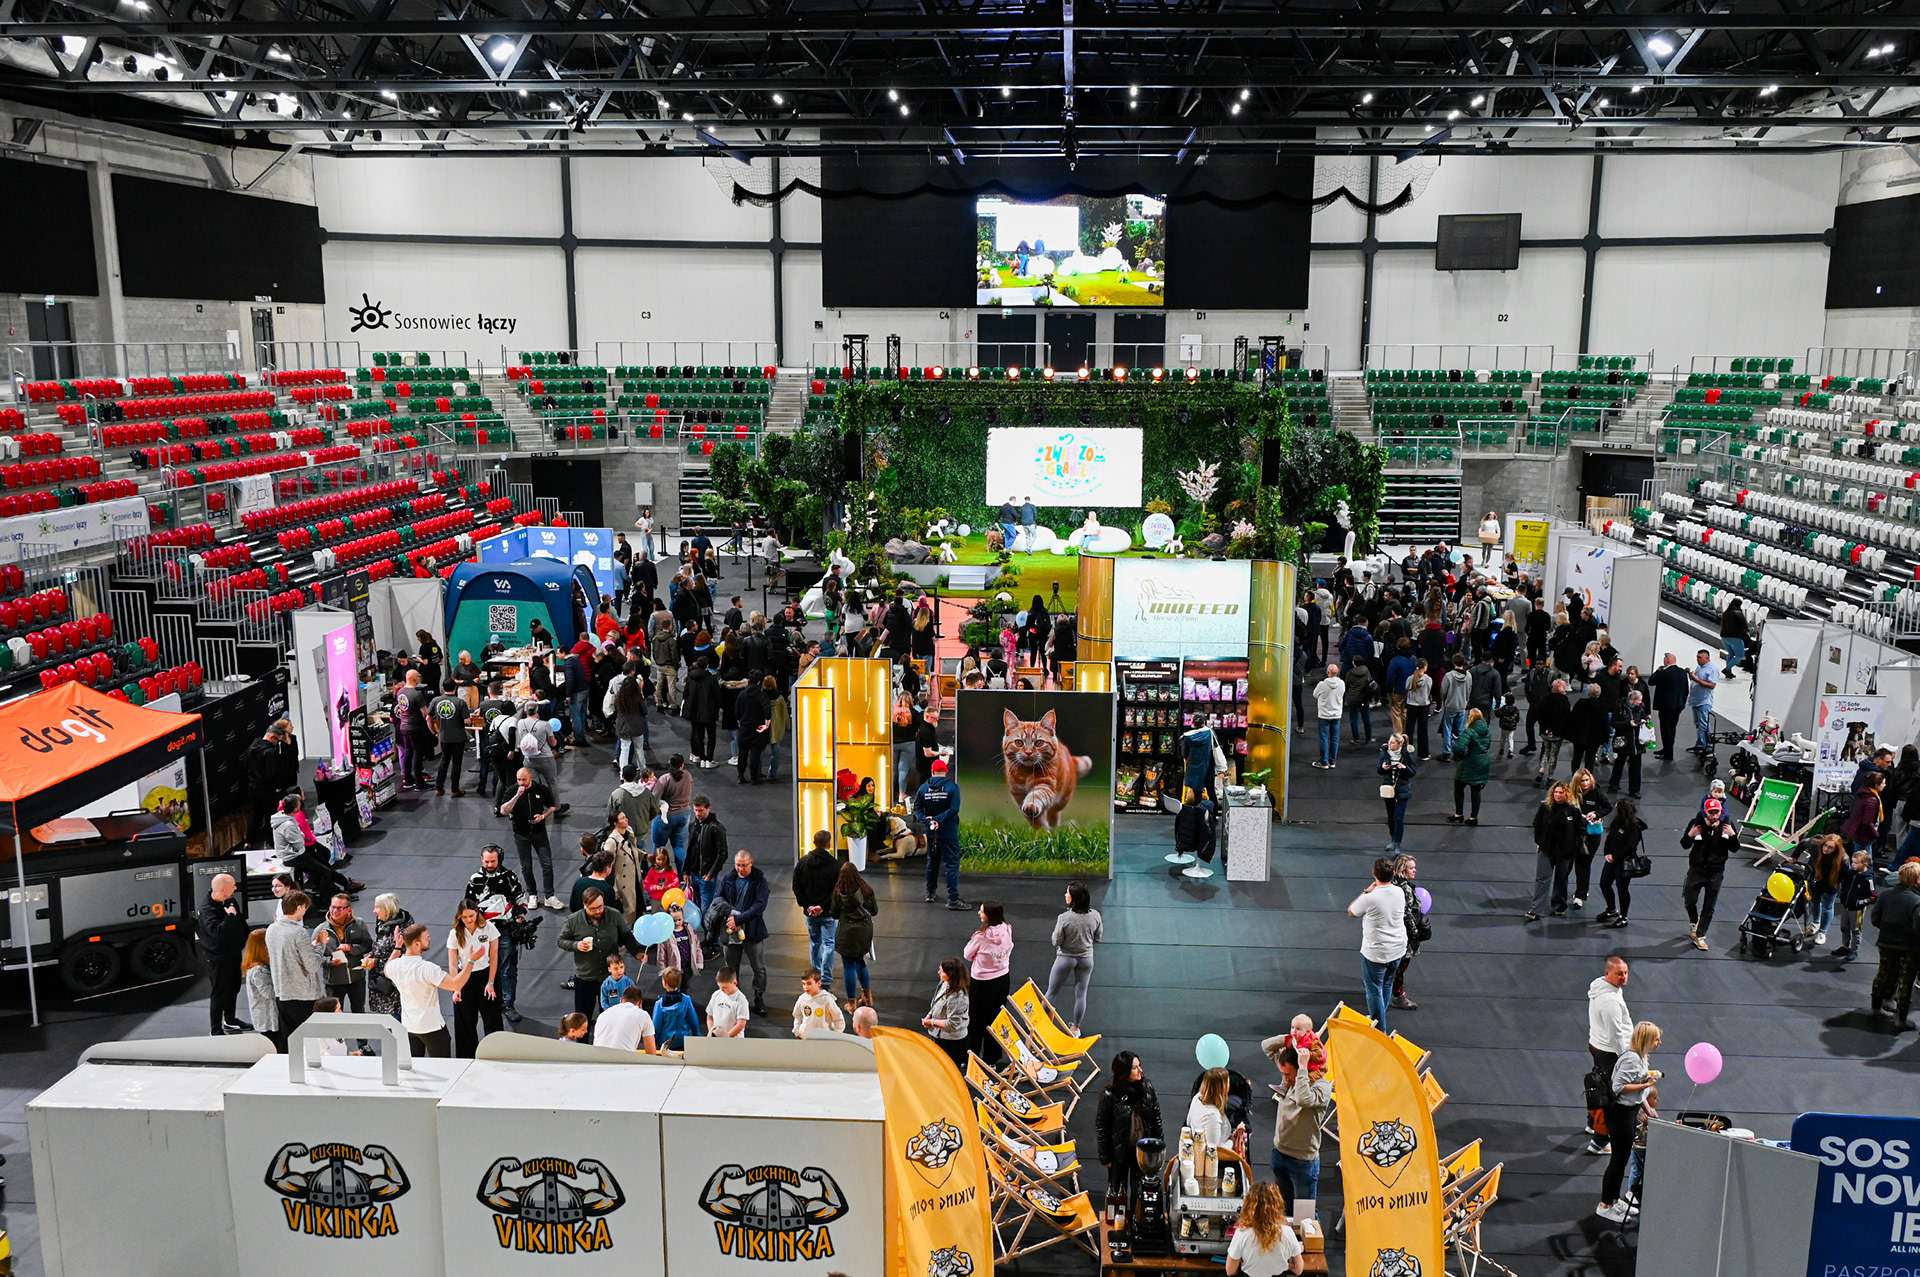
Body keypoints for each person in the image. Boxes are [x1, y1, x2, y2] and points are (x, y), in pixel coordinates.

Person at [1258, 1030, 1332, 1217]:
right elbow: (1267, 1046)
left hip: (1303, 1162)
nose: (1285, 1079)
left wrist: (1303, 1068)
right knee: (1285, 1209)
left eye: (1289, 1074)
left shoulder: (1322, 1087)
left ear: (1302, 1070)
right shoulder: (1289, 1078)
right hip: (1279, 1154)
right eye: (1283, 1074)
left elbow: (1303, 1099)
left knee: (1305, 1215)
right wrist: (1292, 1038)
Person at [1596, 1021, 1663, 1221]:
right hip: (1620, 1115)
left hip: (1629, 1112)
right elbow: (1617, 1087)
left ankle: (1615, 1200)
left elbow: (1637, 1088)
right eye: (1656, 1039)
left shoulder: (1640, 1057)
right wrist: (1646, 1085)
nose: (1659, 1042)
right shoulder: (1632, 1060)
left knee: (1622, 1159)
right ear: (1647, 1040)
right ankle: (1605, 1204)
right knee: (1618, 1160)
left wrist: (1647, 1109)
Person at [556, 886, 643, 1022]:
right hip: (586, 976)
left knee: (612, 1016)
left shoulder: (614, 915)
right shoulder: (574, 920)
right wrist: (576, 945)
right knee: (582, 1017)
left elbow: (626, 936)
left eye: (600, 907)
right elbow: (561, 940)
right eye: (593, 909)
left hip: (611, 977)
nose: (598, 911)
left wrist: (636, 953)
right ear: (585, 905)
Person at [385, 923, 465, 1057]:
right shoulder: (428, 968)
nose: (430, 939)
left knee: (416, 1066)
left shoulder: (394, 966)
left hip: (410, 1027)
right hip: (432, 1027)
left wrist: (398, 948)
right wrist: (471, 962)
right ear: (416, 944)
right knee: (442, 1066)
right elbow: (455, 985)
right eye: (426, 938)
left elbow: (387, 967)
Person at [1347, 857, 1408, 1029]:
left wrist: (1366, 891)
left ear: (1374, 874)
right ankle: (1378, 1016)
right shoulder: (1400, 892)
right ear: (1393, 873)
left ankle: (1379, 1029)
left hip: (1376, 953)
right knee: (1387, 984)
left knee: (1374, 989)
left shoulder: (1369, 898)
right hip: (1397, 949)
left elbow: (1351, 911)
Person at [1094, 1051, 1163, 1197]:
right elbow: (1102, 1127)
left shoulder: (1147, 1088)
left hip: (1142, 1150)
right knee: (1118, 1193)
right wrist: (1105, 1156)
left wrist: (1158, 1147)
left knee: (1140, 1192)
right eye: (1134, 1068)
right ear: (1124, 1071)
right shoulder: (1110, 1096)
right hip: (1120, 1152)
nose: (1140, 1070)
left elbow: (1156, 1118)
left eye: (1139, 1066)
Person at [1585, 956, 1634, 1154]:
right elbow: (1616, 1035)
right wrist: (1625, 1058)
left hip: (1597, 1045)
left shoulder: (1601, 987)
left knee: (1597, 1088)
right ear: (1608, 973)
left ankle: (1592, 1123)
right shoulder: (1610, 1002)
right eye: (1619, 974)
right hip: (1610, 1052)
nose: (1624, 977)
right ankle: (1600, 1141)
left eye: (1626, 973)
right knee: (1611, 1098)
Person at [1681, 797, 1740, 950]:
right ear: (1705, 812)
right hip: (1697, 869)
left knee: (1709, 906)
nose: (1714, 816)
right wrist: (1690, 835)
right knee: (1689, 899)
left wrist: (1732, 835)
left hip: (1715, 872)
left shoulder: (1727, 826)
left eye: (1717, 812)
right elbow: (1684, 844)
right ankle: (1694, 921)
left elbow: (1735, 848)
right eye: (1711, 812)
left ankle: (1700, 935)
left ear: (1721, 812)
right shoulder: (1696, 824)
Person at [718, 849, 771, 1016]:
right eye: (738, 865)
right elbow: (718, 900)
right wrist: (731, 918)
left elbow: (759, 906)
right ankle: (735, 998)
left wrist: (739, 920)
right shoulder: (727, 880)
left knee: (759, 968)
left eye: (744, 865)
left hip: (753, 932)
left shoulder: (760, 882)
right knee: (731, 968)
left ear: (751, 863)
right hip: (730, 931)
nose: (740, 869)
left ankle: (759, 998)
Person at [197, 872, 251, 1035]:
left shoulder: (230, 901)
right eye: (232, 886)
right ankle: (215, 1028)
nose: (235, 888)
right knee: (220, 992)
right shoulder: (207, 910)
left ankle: (230, 1019)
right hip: (218, 958)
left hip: (233, 953)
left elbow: (240, 922)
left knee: (234, 987)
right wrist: (230, 916)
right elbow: (217, 932)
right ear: (221, 889)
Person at [501, 767, 562, 910]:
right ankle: (532, 894)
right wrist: (517, 795)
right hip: (521, 834)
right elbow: (504, 810)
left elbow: (552, 807)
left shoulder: (540, 789)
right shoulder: (512, 791)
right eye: (519, 780)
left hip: (539, 832)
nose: (521, 782)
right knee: (526, 866)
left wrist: (542, 816)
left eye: (524, 779)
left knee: (547, 864)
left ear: (530, 778)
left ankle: (549, 896)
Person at [265, 891, 323, 1039]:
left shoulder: (271, 929)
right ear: (299, 908)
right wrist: (321, 945)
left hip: (282, 992)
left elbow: (288, 953)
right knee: (308, 1039)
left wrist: (309, 947)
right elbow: (313, 966)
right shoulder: (299, 932)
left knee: (288, 1038)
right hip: (303, 995)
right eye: (305, 908)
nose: (305, 911)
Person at [1870, 862, 1920, 1031]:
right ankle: (1901, 1019)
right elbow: (1918, 927)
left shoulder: (1886, 894)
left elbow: (1875, 918)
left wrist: (1887, 930)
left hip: (1886, 942)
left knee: (1883, 973)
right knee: (1906, 981)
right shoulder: (1917, 900)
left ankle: (1875, 1008)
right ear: (1916, 880)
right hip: (1910, 947)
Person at [1527, 782, 1587, 921]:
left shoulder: (1573, 810)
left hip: (1565, 852)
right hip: (1546, 850)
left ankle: (1559, 905)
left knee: (1561, 879)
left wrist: (1574, 846)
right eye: (1556, 792)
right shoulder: (1545, 807)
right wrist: (1540, 842)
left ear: (1566, 793)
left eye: (1561, 792)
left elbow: (1580, 829)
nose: (1558, 795)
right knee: (1542, 880)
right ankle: (1535, 909)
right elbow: (1537, 824)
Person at [965, 901, 1014, 1063]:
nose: (979, 913)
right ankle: (991, 1059)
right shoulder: (1008, 929)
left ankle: (971, 1056)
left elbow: (967, 954)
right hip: (1002, 979)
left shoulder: (981, 936)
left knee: (976, 1020)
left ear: (988, 915)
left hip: (982, 982)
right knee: (996, 1018)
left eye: (981, 911)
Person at [793, 828, 842, 984]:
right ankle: (825, 979)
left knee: (815, 943)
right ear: (829, 844)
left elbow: (797, 886)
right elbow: (837, 890)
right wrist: (822, 906)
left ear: (814, 843)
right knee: (829, 944)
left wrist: (808, 906)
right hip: (828, 913)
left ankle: (815, 975)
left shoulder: (802, 863)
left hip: (810, 913)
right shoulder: (835, 865)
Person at [1226, 1181, 1305, 1276]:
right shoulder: (1287, 1233)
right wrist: (1295, 1249)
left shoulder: (1242, 1234)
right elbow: (1298, 1270)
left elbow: (1230, 1271)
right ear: (1277, 1205)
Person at [917, 758, 966, 910]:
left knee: (932, 862)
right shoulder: (952, 788)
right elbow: (954, 809)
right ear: (945, 771)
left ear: (932, 772)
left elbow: (917, 809)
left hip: (932, 833)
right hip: (948, 832)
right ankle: (953, 898)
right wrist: (939, 819)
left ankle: (930, 893)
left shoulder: (923, 789)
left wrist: (928, 820)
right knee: (951, 864)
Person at [314, 893, 372, 1019]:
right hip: (333, 982)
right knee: (334, 1016)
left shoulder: (359, 924)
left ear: (348, 909)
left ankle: (360, 1033)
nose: (335, 911)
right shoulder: (321, 930)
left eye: (340, 908)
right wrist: (329, 961)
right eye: (333, 907)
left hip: (357, 979)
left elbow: (368, 945)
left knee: (359, 1013)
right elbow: (314, 958)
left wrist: (351, 948)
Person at [829, 862, 878, 1007]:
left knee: (849, 966)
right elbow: (874, 911)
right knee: (860, 962)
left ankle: (851, 1004)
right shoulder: (867, 890)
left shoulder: (838, 893)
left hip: (847, 933)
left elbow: (834, 914)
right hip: (864, 930)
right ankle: (867, 997)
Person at [1595, 798, 1646, 929]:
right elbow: (1610, 838)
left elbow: (1630, 847)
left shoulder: (1633, 827)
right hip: (1612, 860)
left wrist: (1615, 856)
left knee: (1622, 888)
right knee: (1604, 884)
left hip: (1624, 862)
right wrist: (1607, 853)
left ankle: (1623, 917)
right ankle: (1611, 909)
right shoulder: (1616, 822)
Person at [1568, 768, 1612, 910]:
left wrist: (1597, 814)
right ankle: (1580, 889)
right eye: (1582, 781)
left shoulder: (1597, 793)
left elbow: (1608, 807)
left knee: (1584, 862)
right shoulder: (1571, 793)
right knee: (1573, 862)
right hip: (1575, 833)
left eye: (1587, 780)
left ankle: (1580, 894)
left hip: (1592, 834)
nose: (1586, 783)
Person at [245, 720, 293, 846]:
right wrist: (278, 787)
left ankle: (249, 841)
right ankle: (272, 843)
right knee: (270, 816)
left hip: (252, 787)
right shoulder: (270, 752)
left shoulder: (252, 747)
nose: (277, 744)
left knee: (255, 814)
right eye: (278, 741)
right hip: (266, 790)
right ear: (272, 737)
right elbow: (271, 773)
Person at [1389, 854, 1427, 1010]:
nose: (1415, 871)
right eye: (1411, 868)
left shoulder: (1392, 884)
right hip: (1404, 935)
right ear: (1403, 870)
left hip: (1392, 932)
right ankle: (1398, 996)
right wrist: (1415, 933)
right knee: (1400, 966)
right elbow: (1407, 913)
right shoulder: (1405, 889)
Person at [922, 957, 972, 1069]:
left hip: (952, 1042)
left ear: (951, 975)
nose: (938, 972)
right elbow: (936, 1002)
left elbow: (952, 1024)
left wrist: (932, 1022)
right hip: (941, 1037)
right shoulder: (945, 984)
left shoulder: (957, 998)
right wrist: (930, 1015)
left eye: (942, 971)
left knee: (949, 1070)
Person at [426, 679, 469, 797]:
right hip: (458, 737)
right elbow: (467, 721)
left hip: (444, 736)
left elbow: (428, 718)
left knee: (444, 760)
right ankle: (455, 789)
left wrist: (435, 733)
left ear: (443, 688)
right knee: (456, 763)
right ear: (455, 688)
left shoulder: (435, 700)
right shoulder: (460, 702)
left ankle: (439, 787)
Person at [685, 791, 726, 909]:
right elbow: (690, 849)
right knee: (697, 907)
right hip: (694, 875)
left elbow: (722, 853)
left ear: (708, 809)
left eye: (701, 810)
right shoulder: (693, 825)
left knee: (706, 910)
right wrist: (686, 871)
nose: (698, 814)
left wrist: (711, 874)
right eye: (696, 810)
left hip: (706, 877)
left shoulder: (716, 828)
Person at [1450, 708, 1491, 826]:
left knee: (1459, 786)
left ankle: (1458, 814)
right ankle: (1473, 817)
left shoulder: (1469, 731)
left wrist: (1459, 754)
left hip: (1469, 763)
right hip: (1483, 762)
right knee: (1476, 790)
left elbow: (1459, 747)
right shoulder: (1487, 730)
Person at [241, 928, 281, 1046]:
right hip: (269, 1019)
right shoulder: (258, 970)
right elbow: (269, 993)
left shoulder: (259, 967)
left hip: (269, 1017)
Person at [1378, 734, 1417, 854]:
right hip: (1389, 789)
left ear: (1400, 744)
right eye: (1389, 742)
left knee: (1398, 817)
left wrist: (1404, 768)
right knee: (1390, 816)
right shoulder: (1384, 753)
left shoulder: (1407, 755)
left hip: (1402, 789)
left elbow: (1413, 772)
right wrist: (1383, 767)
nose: (1390, 745)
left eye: (1392, 743)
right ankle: (1393, 839)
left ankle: (1398, 843)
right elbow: (1379, 770)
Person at [1837, 848, 1878, 961]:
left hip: (1857, 909)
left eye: (1856, 862)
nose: (1852, 864)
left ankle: (1854, 950)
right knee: (1844, 927)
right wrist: (1842, 896)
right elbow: (1844, 885)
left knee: (1855, 930)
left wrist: (1859, 903)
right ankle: (1845, 946)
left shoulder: (1868, 879)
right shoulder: (1850, 873)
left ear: (1865, 864)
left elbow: (1873, 897)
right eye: (1852, 862)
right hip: (1845, 906)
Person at [1807, 835, 1848, 947]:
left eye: (1830, 848)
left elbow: (1843, 879)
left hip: (1831, 885)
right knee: (1814, 903)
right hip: (1816, 881)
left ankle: (1822, 932)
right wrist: (1794, 857)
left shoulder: (1844, 861)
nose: (1826, 849)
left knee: (1827, 908)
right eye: (1825, 845)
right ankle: (1815, 923)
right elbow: (1803, 843)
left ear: (1836, 849)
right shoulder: (1816, 847)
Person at [655, 758, 696, 868]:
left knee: (658, 846)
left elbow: (654, 798)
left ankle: (657, 873)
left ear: (669, 764)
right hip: (684, 815)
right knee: (679, 847)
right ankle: (683, 875)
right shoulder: (687, 775)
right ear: (682, 765)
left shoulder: (664, 779)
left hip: (666, 817)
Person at [1648, 653, 1688, 761]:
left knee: (1665, 729)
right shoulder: (1682, 672)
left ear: (1667, 661)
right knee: (1672, 728)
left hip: (1665, 707)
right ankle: (1667, 749)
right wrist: (1682, 704)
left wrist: (1658, 670)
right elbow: (1686, 690)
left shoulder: (1664, 673)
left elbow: (1651, 681)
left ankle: (1668, 753)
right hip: (1678, 705)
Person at [594, 985, 658, 1052]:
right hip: (623, 1057)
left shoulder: (603, 1015)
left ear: (621, 1000)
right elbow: (651, 1052)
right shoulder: (643, 1015)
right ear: (640, 1003)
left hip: (597, 1056)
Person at [652, 966, 703, 1049]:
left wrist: (655, 1042)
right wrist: (696, 1035)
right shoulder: (686, 1000)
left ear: (664, 983)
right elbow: (693, 1020)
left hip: (665, 1043)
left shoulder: (659, 1004)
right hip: (682, 1041)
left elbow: (657, 1026)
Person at [791, 966, 845, 1038]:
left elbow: (839, 1019)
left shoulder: (827, 1000)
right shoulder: (802, 999)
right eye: (804, 984)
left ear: (818, 983)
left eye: (809, 983)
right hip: (805, 1038)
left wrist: (835, 1035)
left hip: (823, 1039)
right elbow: (797, 1016)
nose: (806, 987)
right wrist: (797, 1032)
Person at [1842, 772, 1887, 859]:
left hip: (1858, 832)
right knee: (1863, 860)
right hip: (1863, 835)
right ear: (1877, 785)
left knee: (1860, 858)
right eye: (1883, 783)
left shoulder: (1864, 794)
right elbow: (1868, 822)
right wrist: (1875, 834)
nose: (1885, 785)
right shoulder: (1872, 800)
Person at [1311, 663, 1344, 769]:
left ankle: (1324, 761)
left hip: (1324, 715)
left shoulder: (1322, 684)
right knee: (1335, 738)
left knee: (1324, 738)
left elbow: (1315, 694)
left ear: (1328, 672)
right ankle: (1332, 761)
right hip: (1337, 714)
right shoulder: (1341, 683)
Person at [1686, 649, 1719, 753]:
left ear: (1707, 658)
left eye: (1700, 658)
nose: (1697, 659)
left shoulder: (1712, 669)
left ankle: (1708, 746)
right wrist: (1691, 675)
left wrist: (1697, 680)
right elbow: (1696, 680)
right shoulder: (1700, 667)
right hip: (1696, 700)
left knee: (1704, 725)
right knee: (1698, 724)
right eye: (1697, 657)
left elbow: (1712, 685)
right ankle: (1700, 744)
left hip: (1704, 701)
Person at [1437, 656, 1470, 759]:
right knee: (1461, 730)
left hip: (1450, 705)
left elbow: (1443, 691)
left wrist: (1444, 700)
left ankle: (1446, 752)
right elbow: (1469, 690)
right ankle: (1460, 752)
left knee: (1447, 729)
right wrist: (1466, 701)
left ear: (1453, 662)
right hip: (1462, 706)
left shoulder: (1449, 676)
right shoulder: (1468, 675)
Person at [707, 966, 750, 1037]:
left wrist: (727, 1036)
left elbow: (741, 1024)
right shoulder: (716, 995)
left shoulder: (741, 1000)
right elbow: (710, 1016)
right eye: (720, 987)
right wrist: (712, 1032)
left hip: (733, 1039)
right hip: (716, 1038)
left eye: (725, 987)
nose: (722, 990)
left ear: (735, 983)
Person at [1404, 657, 1434, 760]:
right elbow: (1429, 691)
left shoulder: (1410, 679)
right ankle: (1423, 754)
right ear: (1425, 667)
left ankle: (1408, 753)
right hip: (1423, 707)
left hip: (1411, 706)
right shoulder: (1428, 679)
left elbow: (1406, 689)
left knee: (1409, 730)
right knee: (1423, 731)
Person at [1719, 600, 1748, 679]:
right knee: (1740, 655)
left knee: (1731, 654)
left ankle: (1729, 672)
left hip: (1724, 637)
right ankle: (1727, 669)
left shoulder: (1726, 613)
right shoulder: (1738, 613)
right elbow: (1744, 625)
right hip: (1735, 637)